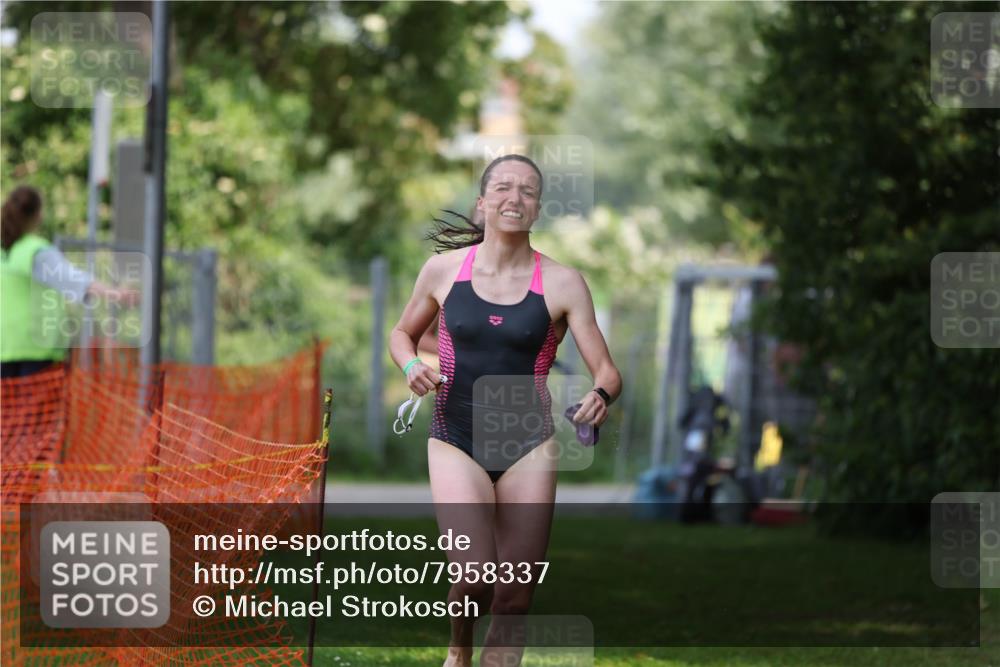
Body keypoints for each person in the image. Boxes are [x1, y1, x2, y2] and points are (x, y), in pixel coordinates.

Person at [389, 154, 622, 667]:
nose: (514, 198)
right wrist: (410, 366)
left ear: (537, 208)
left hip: (528, 444)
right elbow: (402, 333)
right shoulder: (443, 271)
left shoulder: (564, 282)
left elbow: (607, 371)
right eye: (503, 188)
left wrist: (600, 396)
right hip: (455, 435)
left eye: (528, 191)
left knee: (515, 598)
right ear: (482, 202)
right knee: (473, 577)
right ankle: (459, 650)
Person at [1, 185, 137, 378]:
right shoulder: (35, 251)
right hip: (38, 351)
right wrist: (115, 293)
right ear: (38, 215)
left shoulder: (5, 251)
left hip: (5, 349)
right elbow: (72, 279)